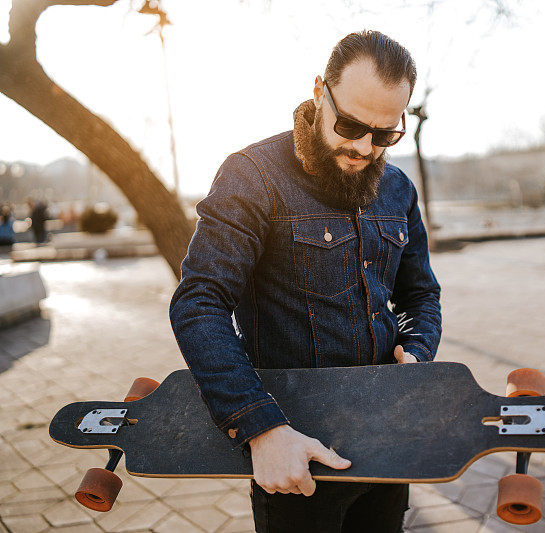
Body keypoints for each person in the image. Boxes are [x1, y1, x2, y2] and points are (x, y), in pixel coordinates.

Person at [169, 30, 441, 533]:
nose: (364, 147)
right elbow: (199, 303)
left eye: (384, 134)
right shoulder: (251, 176)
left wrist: (418, 348)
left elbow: (420, 294)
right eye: (352, 125)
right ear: (321, 92)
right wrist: (261, 428)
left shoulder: (398, 187)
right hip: (294, 449)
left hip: (387, 437)